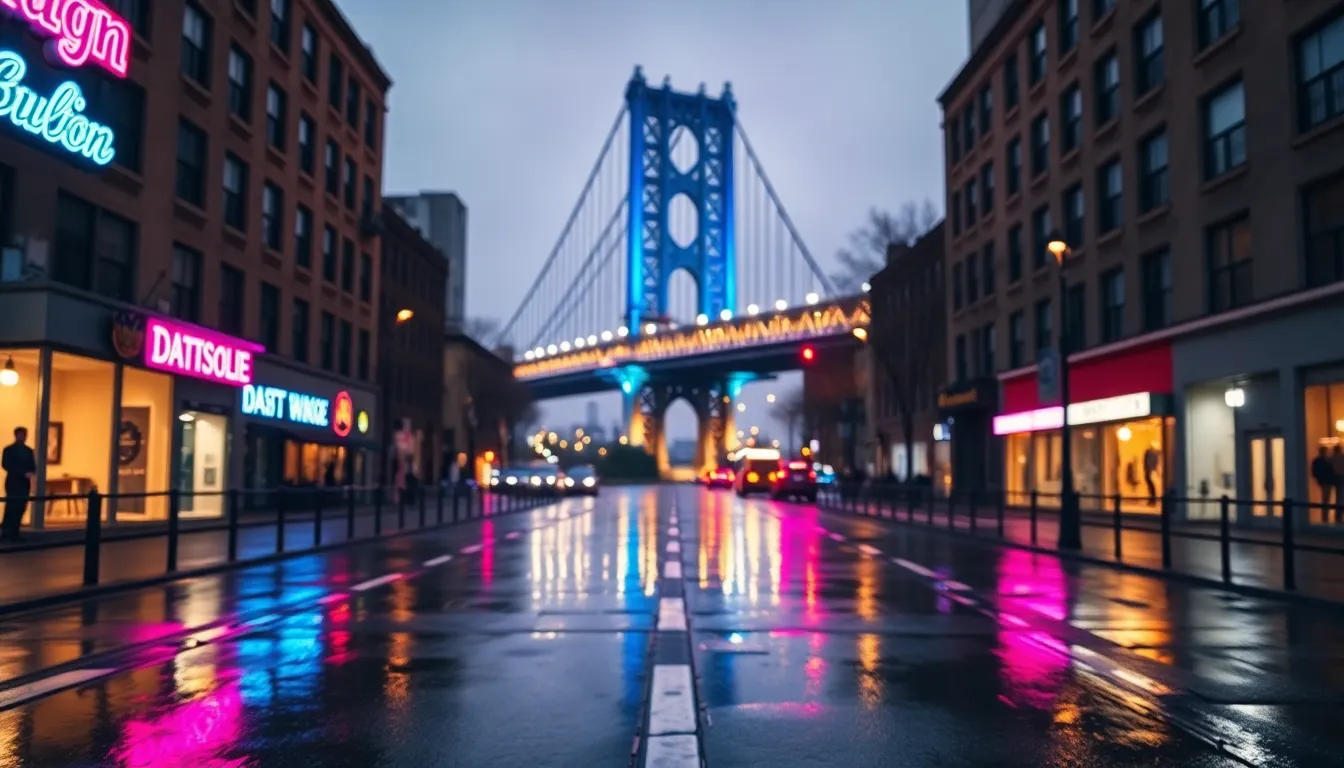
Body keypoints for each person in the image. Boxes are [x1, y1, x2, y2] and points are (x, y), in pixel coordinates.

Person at [2, 427, 37, 541]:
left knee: (21, 507)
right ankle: (7, 532)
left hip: (24, 483)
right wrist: (22, 473)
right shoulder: (9, 450)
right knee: (11, 506)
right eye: (21, 434)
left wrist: (31, 473)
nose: (23, 437)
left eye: (24, 435)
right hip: (13, 482)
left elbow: (33, 466)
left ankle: (15, 532)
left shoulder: (28, 451)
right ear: (16, 435)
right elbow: (6, 465)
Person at [1311, 446, 1335, 512]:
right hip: (1327, 481)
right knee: (1326, 499)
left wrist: (1317, 479)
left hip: (1322, 481)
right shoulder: (1327, 460)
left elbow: (1314, 471)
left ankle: (1325, 515)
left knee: (1325, 499)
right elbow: (1331, 470)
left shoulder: (1317, 461)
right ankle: (1325, 515)